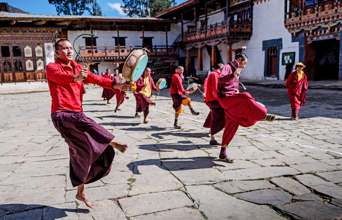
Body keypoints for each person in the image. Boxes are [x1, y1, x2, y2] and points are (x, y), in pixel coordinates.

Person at [46, 39, 128, 209]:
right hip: (62, 115)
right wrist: (76, 77)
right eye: (65, 48)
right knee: (82, 121)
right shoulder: (52, 67)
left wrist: (117, 85)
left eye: (70, 48)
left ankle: (80, 191)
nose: (69, 51)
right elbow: (61, 78)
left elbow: (97, 79)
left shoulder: (78, 67)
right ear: (57, 52)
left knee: (81, 153)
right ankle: (112, 141)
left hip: (77, 115)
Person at [217, 53, 275, 163]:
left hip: (233, 101)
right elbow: (220, 80)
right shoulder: (227, 67)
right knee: (246, 96)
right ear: (239, 60)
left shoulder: (237, 70)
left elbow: (232, 87)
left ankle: (222, 154)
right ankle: (262, 115)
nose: (244, 66)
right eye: (244, 63)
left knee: (232, 124)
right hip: (225, 100)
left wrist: (236, 89)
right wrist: (233, 74)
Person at [203, 63, 225, 145]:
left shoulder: (214, 74)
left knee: (215, 117)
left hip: (212, 100)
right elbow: (216, 90)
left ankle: (212, 139)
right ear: (221, 68)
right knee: (226, 115)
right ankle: (226, 134)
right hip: (215, 100)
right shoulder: (215, 75)